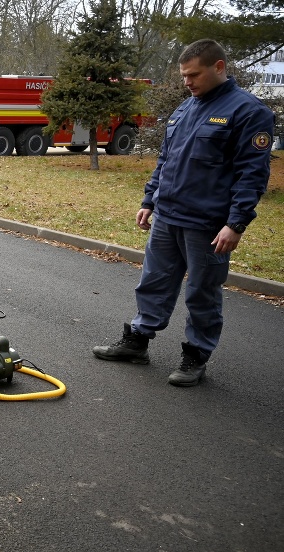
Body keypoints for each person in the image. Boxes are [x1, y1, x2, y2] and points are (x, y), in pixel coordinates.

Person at [92, 39, 274, 387]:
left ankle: (195, 356)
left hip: (208, 225)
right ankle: (137, 343)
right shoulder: (185, 108)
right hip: (168, 216)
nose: (188, 82)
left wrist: (236, 223)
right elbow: (166, 160)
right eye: (184, 76)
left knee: (202, 293)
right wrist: (149, 200)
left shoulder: (249, 112)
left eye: (194, 75)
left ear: (219, 67)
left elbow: (252, 175)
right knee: (154, 283)